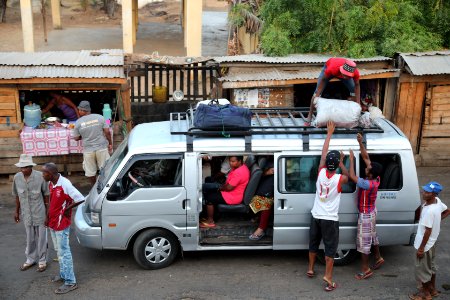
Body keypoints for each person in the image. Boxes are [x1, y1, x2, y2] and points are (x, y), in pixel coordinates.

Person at [306, 121, 349, 292]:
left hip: (316, 214)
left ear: (326, 165)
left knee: (313, 243)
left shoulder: (320, 172)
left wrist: (329, 133)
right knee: (330, 248)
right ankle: (328, 277)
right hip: (329, 219)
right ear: (336, 164)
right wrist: (343, 163)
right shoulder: (339, 179)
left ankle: (310, 268)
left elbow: (324, 154)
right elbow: (349, 176)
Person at [42, 162, 85, 294]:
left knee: (64, 252)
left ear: (52, 174)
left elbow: (80, 198)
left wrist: (67, 208)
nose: (42, 175)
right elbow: (51, 201)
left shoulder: (65, 184)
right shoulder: (52, 183)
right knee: (58, 251)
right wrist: (47, 216)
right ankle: (63, 275)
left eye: (44, 173)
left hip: (61, 224)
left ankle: (71, 282)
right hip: (52, 222)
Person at [348, 133, 384, 280]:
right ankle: (378, 257)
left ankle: (365, 269)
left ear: (370, 173)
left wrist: (350, 161)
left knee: (364, 242)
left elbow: (351, 176)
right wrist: (360, 143)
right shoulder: (376, 179)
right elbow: (366, 157)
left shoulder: (366, 184)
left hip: (366, 215)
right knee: (373, 237)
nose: (366, 166)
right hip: (372, 211)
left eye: (368, 168)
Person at [409, 182, 450, 300]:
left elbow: (427, 231)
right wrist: (437, 220)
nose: (424, 193)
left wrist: (421, 248)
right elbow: (447, 210)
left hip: (425, 245)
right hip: (432, 242)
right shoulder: (437, 201)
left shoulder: (429, 211)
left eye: (427, 192)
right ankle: (433, 290)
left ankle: (425, 294)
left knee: (422, 270)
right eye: (424, 191)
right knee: (431, 267)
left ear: (433, 194)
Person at [12, 154, 50, 272]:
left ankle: (42, 260)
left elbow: (47, 196)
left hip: (40, 213)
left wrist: (47, 214)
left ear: (30, 166)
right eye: (21, 168)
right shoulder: (17, 178)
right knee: (30, 238)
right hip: (26, 214)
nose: (23, 170)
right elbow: (17, 196)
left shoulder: (40, 177)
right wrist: (16, 212)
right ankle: (30, 259)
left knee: (42, 238)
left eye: (25, 167)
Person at [306, 58, 361, 125]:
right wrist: (317, 96)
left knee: (353, 91)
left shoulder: (355, 72)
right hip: (330, 68)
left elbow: (357, 85)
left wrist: (358, 104)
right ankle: (310, 115)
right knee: (316, 93)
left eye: (348, 76)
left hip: (341, 71)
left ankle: (352, 117)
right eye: (345, 75)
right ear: (342, 70)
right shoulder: (332, 69)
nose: (345, 77)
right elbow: (323, 80)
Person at [200, 156, 250, 228]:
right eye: (230, 161)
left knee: (209, 197)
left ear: (240, 161)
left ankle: (210, 221)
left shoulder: (239, 172)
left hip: (232, 196)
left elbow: (229, 188)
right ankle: (210, 215)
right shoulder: (241, 167)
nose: (230, 163)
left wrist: (219, 188)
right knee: (209, 187)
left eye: (233, 161)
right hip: (232, 193)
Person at [73, 100, 113, 186]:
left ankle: (94, 187)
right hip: (101, 147)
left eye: (79, 110)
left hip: (88, 150)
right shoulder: (100, 117)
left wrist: (82, 136)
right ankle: (104, 185)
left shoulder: (78, 122)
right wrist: (110, 143)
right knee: (104, 168)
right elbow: (107, 131)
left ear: (83, 110)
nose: (78, 111)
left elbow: (76, 138)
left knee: (90, 172)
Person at [249, 161, 274, 240]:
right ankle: (258, 216)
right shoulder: (268, 161)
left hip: (282, 186)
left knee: (265, 201)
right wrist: (267, 173)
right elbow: (262, 174)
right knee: (257, 198)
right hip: (269, 184)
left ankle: (261, 229)